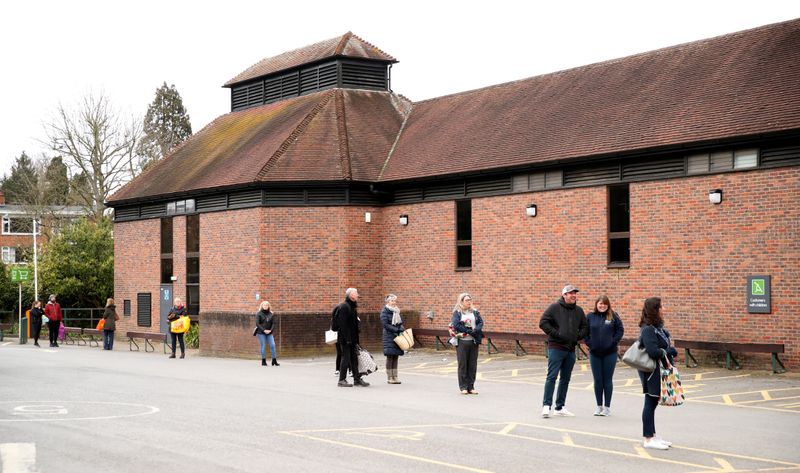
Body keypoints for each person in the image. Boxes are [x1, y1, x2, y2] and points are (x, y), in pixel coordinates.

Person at [539, 284, 588, 417]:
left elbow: (585, 327)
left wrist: (577, 337)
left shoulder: (578, 310)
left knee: (565, 379)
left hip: (571, 349)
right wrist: (557, 334)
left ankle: (560, 407)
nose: (573, 295)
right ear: (564, 295)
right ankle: (546, 406)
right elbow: (543, 322)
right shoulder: (554, 307)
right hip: (556, 347)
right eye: (570, 293)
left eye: (574, 293)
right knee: (552, 377)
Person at [638, 296, 678, 450]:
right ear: (654, 310)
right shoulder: (647, 329)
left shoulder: (657, 328)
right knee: (650, 403)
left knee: (653, 403)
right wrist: (669, 351)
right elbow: (653, 351)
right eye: (661, 307)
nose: (663, 309)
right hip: (651, 371)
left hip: (659, 370)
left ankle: (653, 435)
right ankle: (648, 438)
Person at [585, 295, 624, 416]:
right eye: (600, 303)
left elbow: (620, 330)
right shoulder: (590, 316)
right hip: (595, 353)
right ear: (596, 304)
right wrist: (590, 343)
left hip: (610, 353)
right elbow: (584, 332)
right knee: (597, 380)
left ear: (608, 305)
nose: (602, 306)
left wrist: (613, 342)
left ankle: (607, 407)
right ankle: (599, 406)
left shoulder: (613, 315)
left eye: (605, 304)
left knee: (607, 380)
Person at [335, 288, 369, 387]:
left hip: (353, 338)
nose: (358, 295)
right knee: (346, 358)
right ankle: (341, 380)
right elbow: (343, 325)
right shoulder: (345, 307)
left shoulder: (352, 307)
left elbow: (353, 324)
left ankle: (357, 379)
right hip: (346, 339)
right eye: (356, 293)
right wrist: (347, 339)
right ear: (351, 295)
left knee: (354, 359)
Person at [451, 292, 484, 395]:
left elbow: (480, 322)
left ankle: (471, 386)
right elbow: (456, 325)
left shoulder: (475, 311)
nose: (469, 302)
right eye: (467, 300)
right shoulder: (457, 312)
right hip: (462, 342)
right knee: (463, 365)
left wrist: (476, 330)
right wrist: (468, 331)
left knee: (472, 365)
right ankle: (463, 387)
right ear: (461, 301)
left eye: (470, 300)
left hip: (473, 341)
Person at [380, 294, 405, 384]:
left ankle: (395, 376)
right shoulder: (384, 312)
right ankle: (390, 377)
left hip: (397, 335)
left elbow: (401, 322)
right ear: (388, 301)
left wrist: (401, 329)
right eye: (392, 301)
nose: (393, 302)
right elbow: (385, 325)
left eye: (394, 301)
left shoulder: (397, 311)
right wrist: (396, 330)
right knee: (390, 356)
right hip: (389, 336)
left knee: (396, 356)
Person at [255, 301, 279, 366]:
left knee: (273, 345)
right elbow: (257, 324)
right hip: (261, 333)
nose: (265, 306)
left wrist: (270, 330)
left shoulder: (271, 314)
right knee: (263, 346)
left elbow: (273, 323)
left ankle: (274, 360)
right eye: (264, 305)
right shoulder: (259, 314)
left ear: (269, 306)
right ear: (262, 306)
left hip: (269, 332)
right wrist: (264, 330)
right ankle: (263, 361)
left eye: (267, 305)